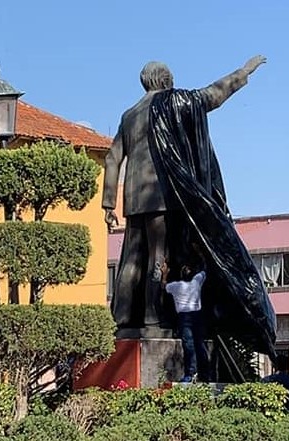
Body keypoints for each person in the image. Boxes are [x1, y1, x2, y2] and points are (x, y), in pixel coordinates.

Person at [102, 56, 267, 330]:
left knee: (131, 256)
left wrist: (108, 203)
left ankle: (121, 316)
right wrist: (244, 71)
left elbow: (111, 158)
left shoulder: (129, 115)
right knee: (158, 255)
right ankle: (154, 316)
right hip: (162, 194)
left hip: (133, 198)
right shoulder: (173, 102)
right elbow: (214, 93)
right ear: (166, 80)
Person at [161, 261, 210, 383]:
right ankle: (204, 373)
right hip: (197, 316)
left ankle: (190, 373)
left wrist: (165, 273)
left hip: (184, 317)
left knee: (189, 346)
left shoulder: (176, 286)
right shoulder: (196, 282)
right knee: (199, 344)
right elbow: (205, 269)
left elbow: (163, 286)